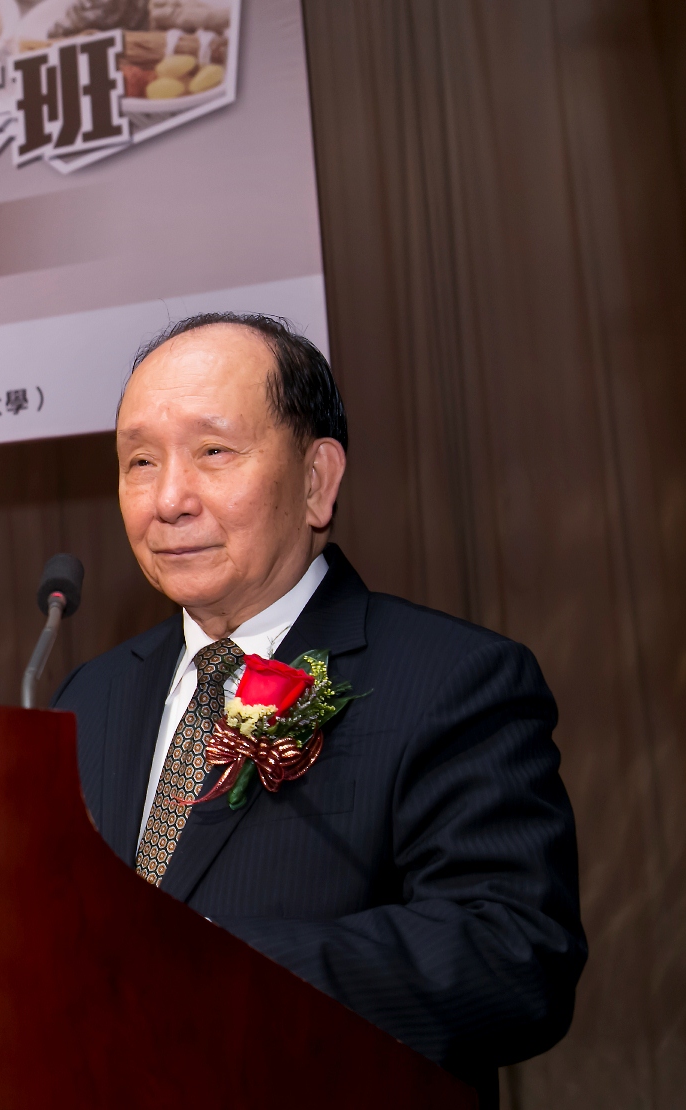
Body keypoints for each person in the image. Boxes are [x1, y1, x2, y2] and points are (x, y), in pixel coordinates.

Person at [51, 313, 584, 1107]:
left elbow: (514, 955)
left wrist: (214, 967)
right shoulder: (86, 698)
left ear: (316, 481)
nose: (168, 499)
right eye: (140, 461)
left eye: (213, 452)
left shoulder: (451, 679)